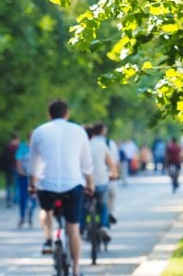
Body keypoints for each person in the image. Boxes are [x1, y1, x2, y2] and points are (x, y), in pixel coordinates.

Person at [29, 99, 94, 276]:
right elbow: (87, 163)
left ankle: (48, 239)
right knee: (72, 227)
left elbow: (33, 163)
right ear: (67, 113)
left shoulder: (39, 132)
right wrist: (89, 184)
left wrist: (32, 185)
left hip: (46, 185)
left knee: (46, 210)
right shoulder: (78, 131)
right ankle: (76, 269)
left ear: (49, 114)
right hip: (72, 185)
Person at [82, 122, 118, 241]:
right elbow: (112, 164)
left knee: (82, 207)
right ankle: (103, 225)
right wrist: (114, 174)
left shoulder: (79, 145)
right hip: (101, 181)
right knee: (103, 205)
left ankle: (81, 229)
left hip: (84, 184)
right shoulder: (102, 145)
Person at [15, 133, 37, 228]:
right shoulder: (22, 148)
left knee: (33, 197)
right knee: (23, 197)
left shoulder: (37, 148)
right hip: (23, 176)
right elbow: (18, 161)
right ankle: (22, 217)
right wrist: (20, 171)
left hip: (35, 177)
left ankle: (30, 217)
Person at [2, 133, 20, 208]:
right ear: (17, 138)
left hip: (8, 168)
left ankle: (9, 200)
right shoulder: (18, 147)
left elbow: (4, 158)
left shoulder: (7, 146)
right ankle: (15, 200)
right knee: (16, 185)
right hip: (16, 167)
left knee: (8, 185)